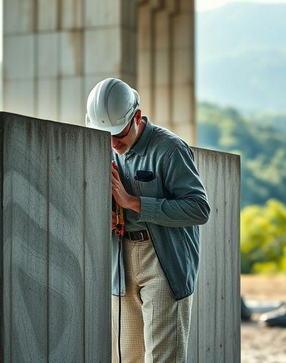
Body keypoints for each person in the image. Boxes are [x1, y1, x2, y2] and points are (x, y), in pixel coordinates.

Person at [85, 78, 210, 362]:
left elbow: (198, 208)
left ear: (137, 117)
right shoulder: (102, 145)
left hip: (163, 259)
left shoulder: (170, 149)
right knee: (125, 357)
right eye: (105, 135)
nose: (113, 143)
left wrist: (133, 202)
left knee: (162, 357)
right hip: (120, 261)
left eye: (118, 134)